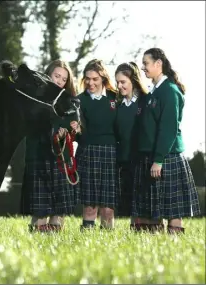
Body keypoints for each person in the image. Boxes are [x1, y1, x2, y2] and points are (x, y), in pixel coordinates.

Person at [132, 47, 201, 234]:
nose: (143, 68)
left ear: (158, 64)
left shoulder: (169, 91)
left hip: (167, 157)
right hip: (151, 156)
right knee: (155, 209)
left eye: (146, 63)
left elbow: (168, 129)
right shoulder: (154, 91)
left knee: (172, 209)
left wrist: (159, 159)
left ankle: (174, 249)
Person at [21, 59, 79, 233]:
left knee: (59, 211)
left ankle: (55, 244)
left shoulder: (71, 102)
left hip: (61, 161)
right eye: (57, 76)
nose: (60, 81)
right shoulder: (33, 99)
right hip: (39, 157)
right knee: (40, 211)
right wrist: (53, 131)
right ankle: (36, 238)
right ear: (48, 75)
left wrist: (71, 130)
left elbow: (73, 126)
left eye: (63, 79)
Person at [74, 59, 119, 231]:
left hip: (111, 154)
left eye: (95, 79)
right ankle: (87, 241)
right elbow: (78, 135)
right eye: (87, 79)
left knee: (108, 207)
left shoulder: (116, 99)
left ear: (103, 79)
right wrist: (77, 131)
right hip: (88, 153)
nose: (90, 83)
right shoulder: (79, 101)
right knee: (90, 205)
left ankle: (108, 245)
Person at [114, 62, 149, 228]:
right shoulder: (119, 107)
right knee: (129, 203)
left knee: (146, 202)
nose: (119, 86)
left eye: (123, 82)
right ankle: (135, 232)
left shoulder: (145, 103)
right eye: (117, 82)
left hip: (143, 160)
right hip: (125, 162)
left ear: (133, 81)